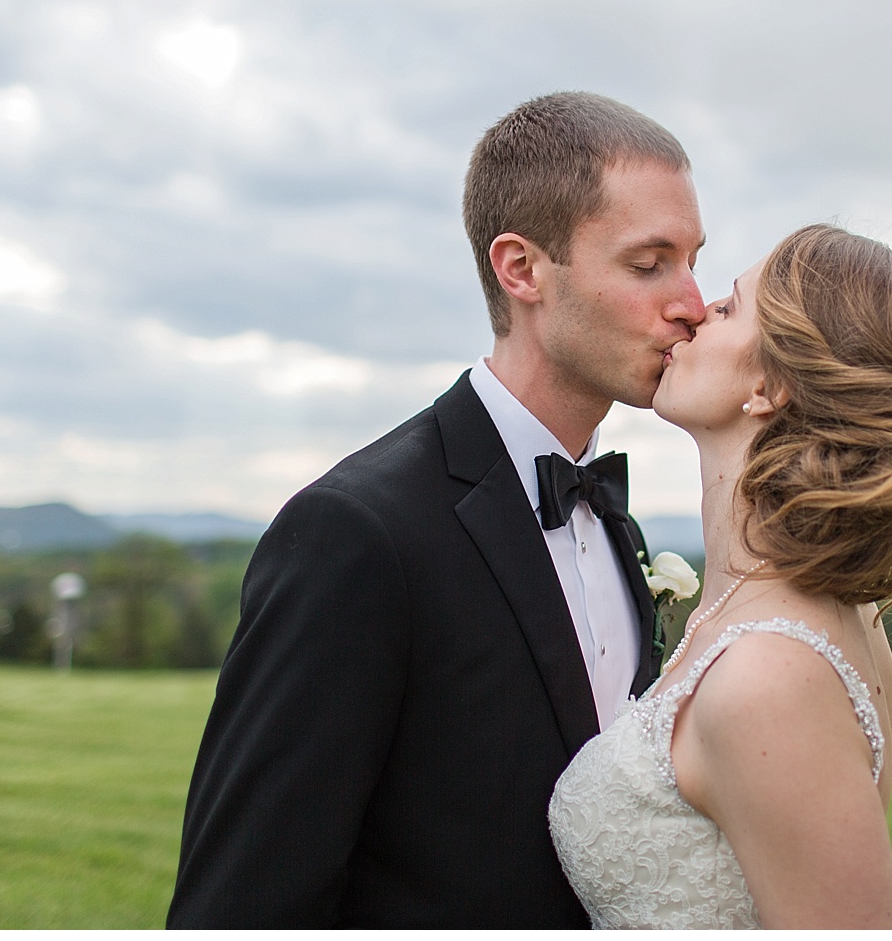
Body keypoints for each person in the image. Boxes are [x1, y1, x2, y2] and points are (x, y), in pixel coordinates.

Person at [167, 92, 706, 927]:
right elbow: (242, 901)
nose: (692, 304)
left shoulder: (615, 522)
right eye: (649, 264)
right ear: (521, 268)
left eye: (692, 260)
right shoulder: (356, 532)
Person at [549, 223, 892, 928]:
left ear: (770, 384)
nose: (693, 312)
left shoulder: (771, 676)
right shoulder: (833, 615)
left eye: (726, 307)